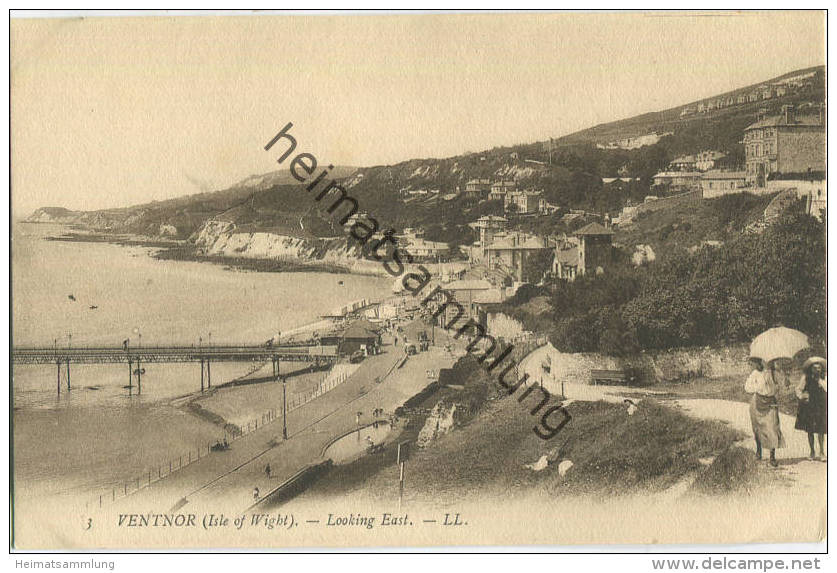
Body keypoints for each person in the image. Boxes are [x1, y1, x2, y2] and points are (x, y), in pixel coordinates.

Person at [744, 357, 786, 467]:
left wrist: (781, 375)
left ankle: (772, 457)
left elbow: (785, 384)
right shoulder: (755, 374)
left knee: (772, 427)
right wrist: (758, 387)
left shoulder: (773, 373)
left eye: (761, 362)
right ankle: (759, 451)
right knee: (757, 428)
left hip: (770, 402)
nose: (759, 364)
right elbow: (747, 388)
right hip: (757, 402)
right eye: (756, 363)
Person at [795, 357, 827, 461]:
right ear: (810, 369)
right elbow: (798, 389)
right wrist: (802, 396)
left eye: (819, 368)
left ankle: (822, 452)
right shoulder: (806, 377)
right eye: (815, 368)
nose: (817, 370)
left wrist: (820, 382)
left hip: (821, 405)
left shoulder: (824, 378)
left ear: (822, 369)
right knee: (810, 429)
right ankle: (812, 451)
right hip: (809, 406)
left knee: (821, 429)